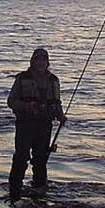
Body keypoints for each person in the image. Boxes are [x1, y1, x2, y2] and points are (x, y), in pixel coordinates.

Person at [7, 48, 67, 198]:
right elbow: (11, 101)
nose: (40, 63)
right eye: (37, 60)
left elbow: (56, 102)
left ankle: (40, 188)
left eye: (43, 60)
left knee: (40, 159)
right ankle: (14, 188)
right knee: (21, 157)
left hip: (45, 125)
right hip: (25, 124)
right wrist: (27, 106)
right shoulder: (22, 78)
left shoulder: (54, 80)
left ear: (47, 63)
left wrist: (61, 116)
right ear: (32, 62)